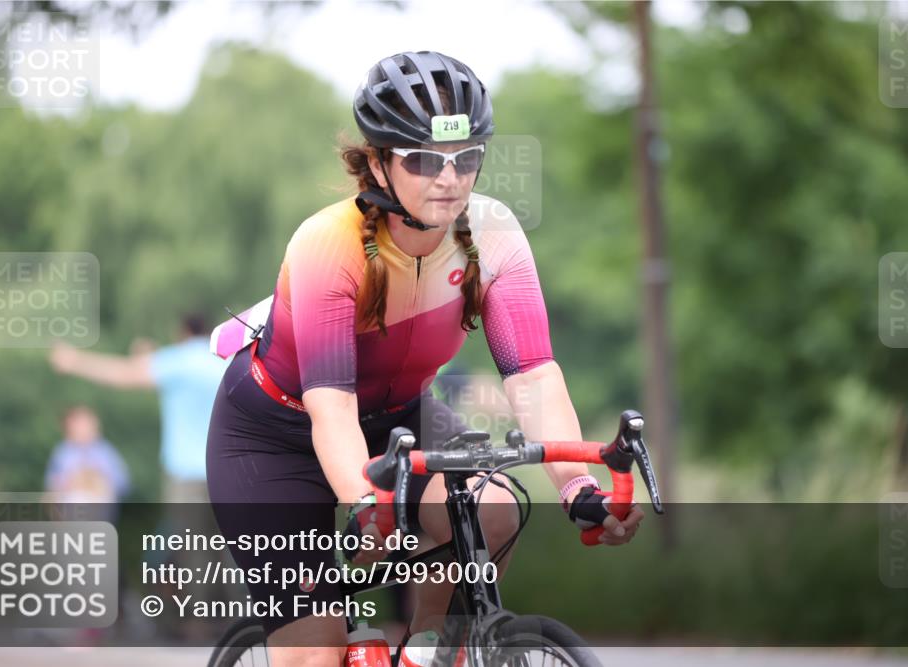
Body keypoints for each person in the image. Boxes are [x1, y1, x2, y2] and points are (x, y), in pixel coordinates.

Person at [206, 51, 645, 666]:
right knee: (314, 652)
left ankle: (430, 647)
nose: (450, 178)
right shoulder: (326, 243)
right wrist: (369, 507)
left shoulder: (492, 232)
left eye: (467, 159)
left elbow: (534, 375)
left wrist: (577, 485)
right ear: (380, 165)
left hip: (395, 419)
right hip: (275, 436)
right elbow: (329, 409)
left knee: (492, 513)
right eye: (424, 160)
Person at [50, 314, 226, 501]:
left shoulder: (177, 361)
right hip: (227, 471)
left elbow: (124, 374)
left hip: (186, 473)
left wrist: (74, 361)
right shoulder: (226, 362)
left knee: (188, 531)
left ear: (184, 332)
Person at [45, 405, 129, 509]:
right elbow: (52, 485)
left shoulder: (105, 451)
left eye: (85, 424)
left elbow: (122, 483)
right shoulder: (63, 452)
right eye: (78, 425)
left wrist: (98, 481)